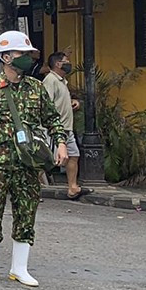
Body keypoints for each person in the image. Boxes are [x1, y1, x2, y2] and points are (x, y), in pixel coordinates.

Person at [0, 31, 68, 287]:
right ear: (5, 57)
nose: (27, 58)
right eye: (21, 54)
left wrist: (60, 143)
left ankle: (19, 268)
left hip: (28, 162)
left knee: (26, 212)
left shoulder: (35, 87)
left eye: (28, 54)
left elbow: (52, 119)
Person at [42, 52, 91, 200]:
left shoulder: (62, 81)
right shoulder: (50, 80)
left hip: (66, 128)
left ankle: (72, 187)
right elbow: (46, 103)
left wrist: (72, 102)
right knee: (45, 159)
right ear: (58, 64)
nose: (69, 63)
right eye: (66, 61)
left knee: (73, 155)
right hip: (55, 129)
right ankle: (32, 187)